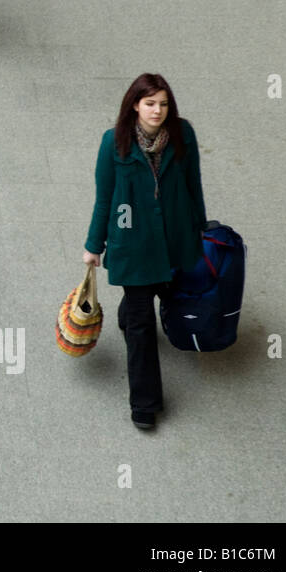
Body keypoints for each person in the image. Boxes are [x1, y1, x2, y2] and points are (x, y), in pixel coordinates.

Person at [83, 74, 207, 430]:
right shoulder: (113, 142)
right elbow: (104, 198)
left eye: (163, 104)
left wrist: (200, 230)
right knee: (141, 326)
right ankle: (145, 402)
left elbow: (193, 183)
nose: (158, 111)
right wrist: (94, 245)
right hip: (133, 246)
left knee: (168, 294)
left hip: (174, 239)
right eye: (150, 103)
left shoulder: (183, 135)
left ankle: (128, 314)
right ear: (135, 105)